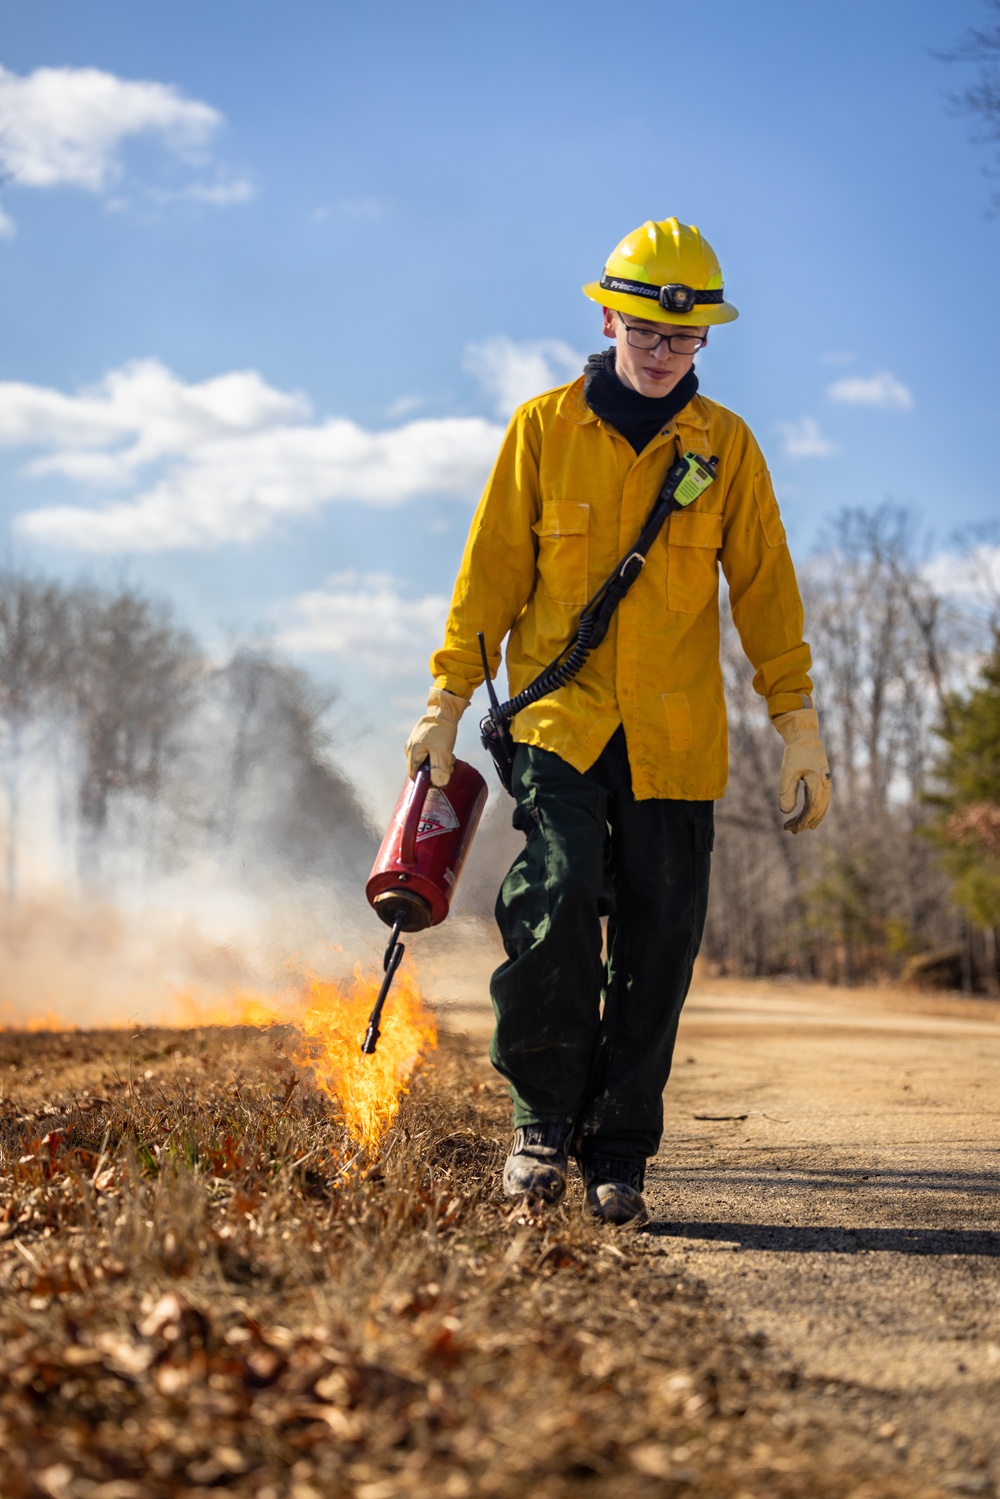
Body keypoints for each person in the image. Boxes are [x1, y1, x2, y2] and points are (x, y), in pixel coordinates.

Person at [405, 218, 831, 1226]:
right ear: (607, 316)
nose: (660, 351)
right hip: (564, 722)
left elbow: (767, 595)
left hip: (678, 736)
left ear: (704, 343)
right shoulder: (543, 429)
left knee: (658, 935)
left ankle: (620, 1148)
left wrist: (797, 720)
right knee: (555, 898)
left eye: (680, 340)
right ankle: (541, 1124)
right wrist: (447, 699)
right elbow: (490, 581)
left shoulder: (725, 449)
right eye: (643, 330)